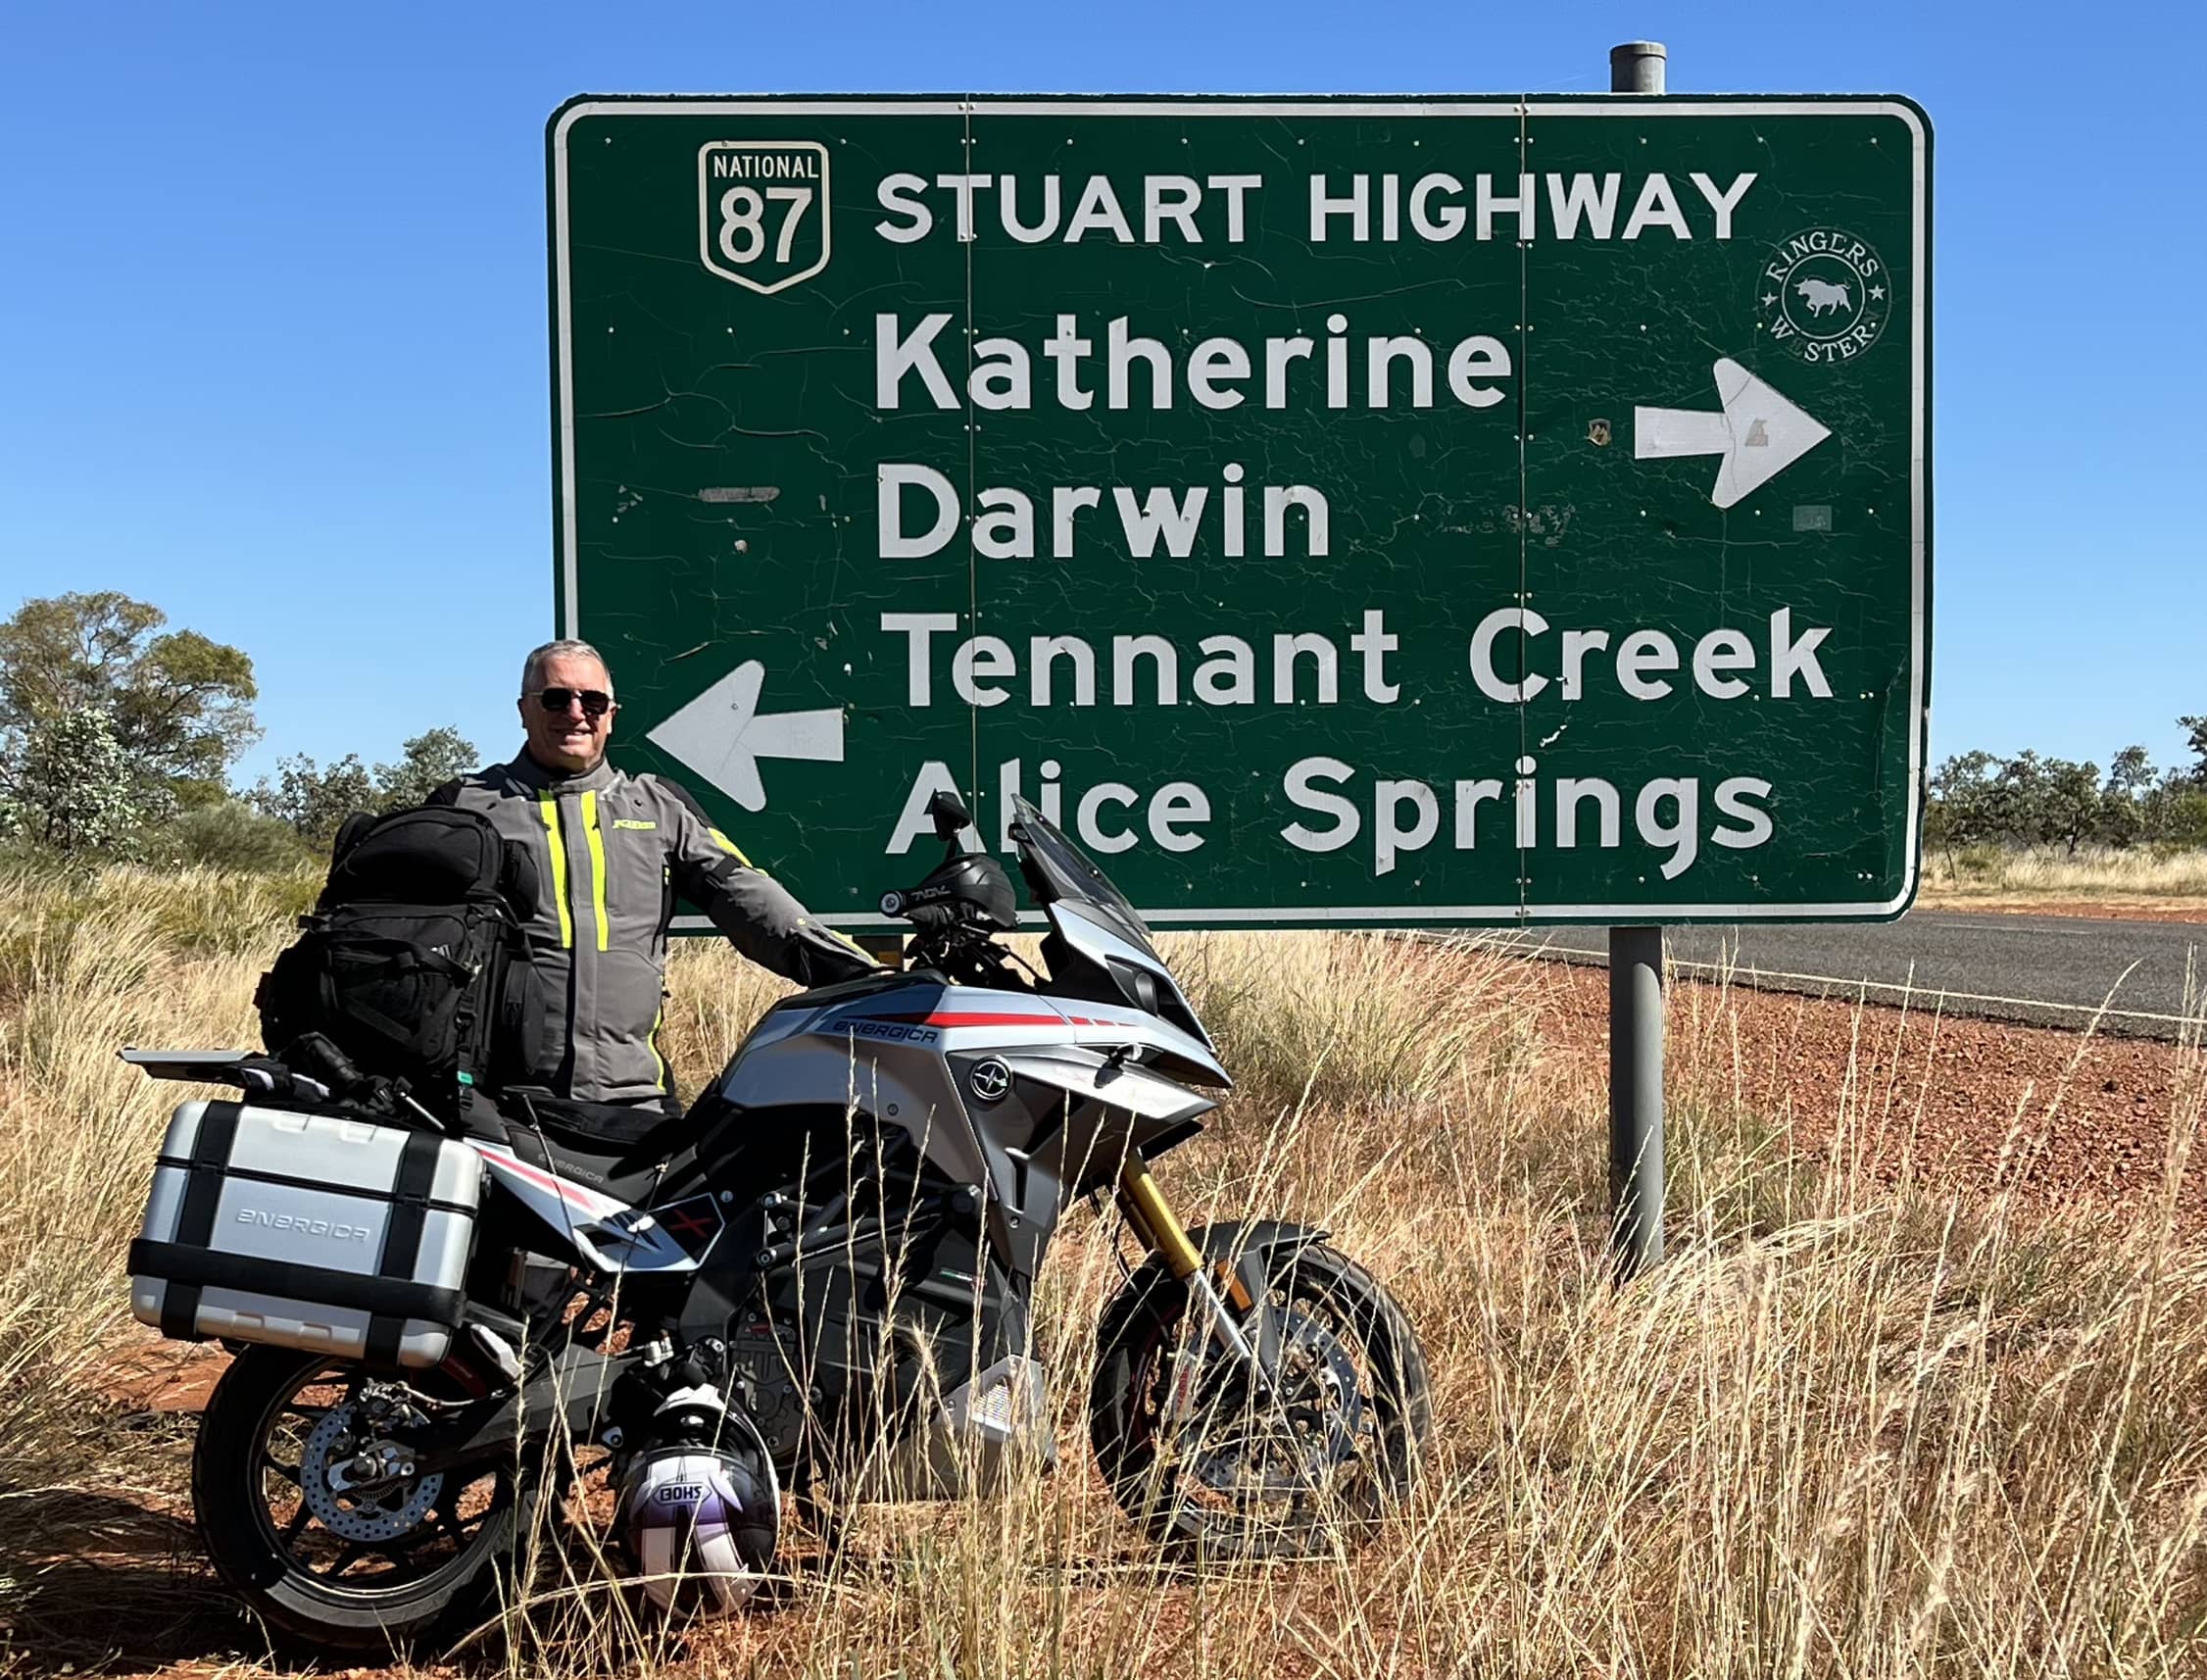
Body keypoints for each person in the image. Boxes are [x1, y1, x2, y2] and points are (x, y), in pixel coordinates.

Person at [431, 638, 877, 1113]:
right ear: (524, 709)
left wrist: (860, 975)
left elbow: (747, 896)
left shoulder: (658, 806)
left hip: (636, 1103)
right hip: (499, 1104)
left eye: (593, 700)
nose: (576, 712)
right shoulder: (466, 806)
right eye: (556, 698)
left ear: (612, 713)